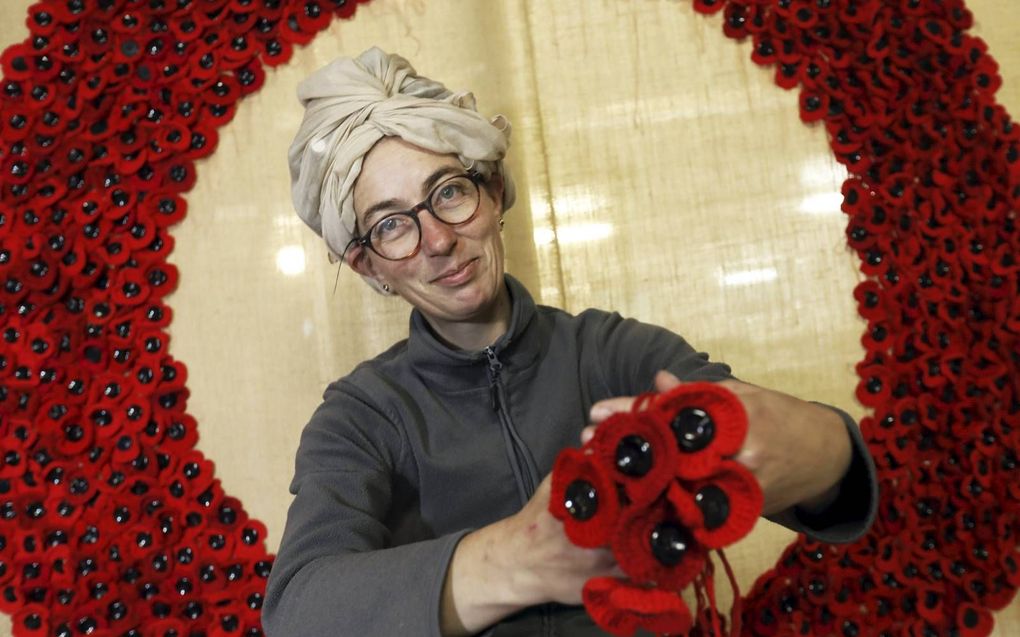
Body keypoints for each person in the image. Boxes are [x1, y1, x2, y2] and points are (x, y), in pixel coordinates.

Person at [262, 47, 877, 637]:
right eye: (392, 224)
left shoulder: (613, 352)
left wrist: (813, 445)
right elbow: (299, 610)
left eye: (449, 191)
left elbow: (825, 475)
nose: (438, 240)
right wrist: (520, 558)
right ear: (369, 267)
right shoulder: (360, 416)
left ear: (494, 191)